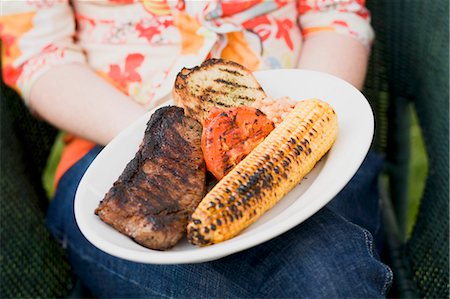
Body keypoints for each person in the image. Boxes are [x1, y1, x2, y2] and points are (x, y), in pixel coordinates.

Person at [0, 0, 392, 297]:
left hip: (303, 145)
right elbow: (38, 53)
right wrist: (169, 146)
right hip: (113, 152)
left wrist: (291, 125)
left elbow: (334, 15)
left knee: (331, 274)